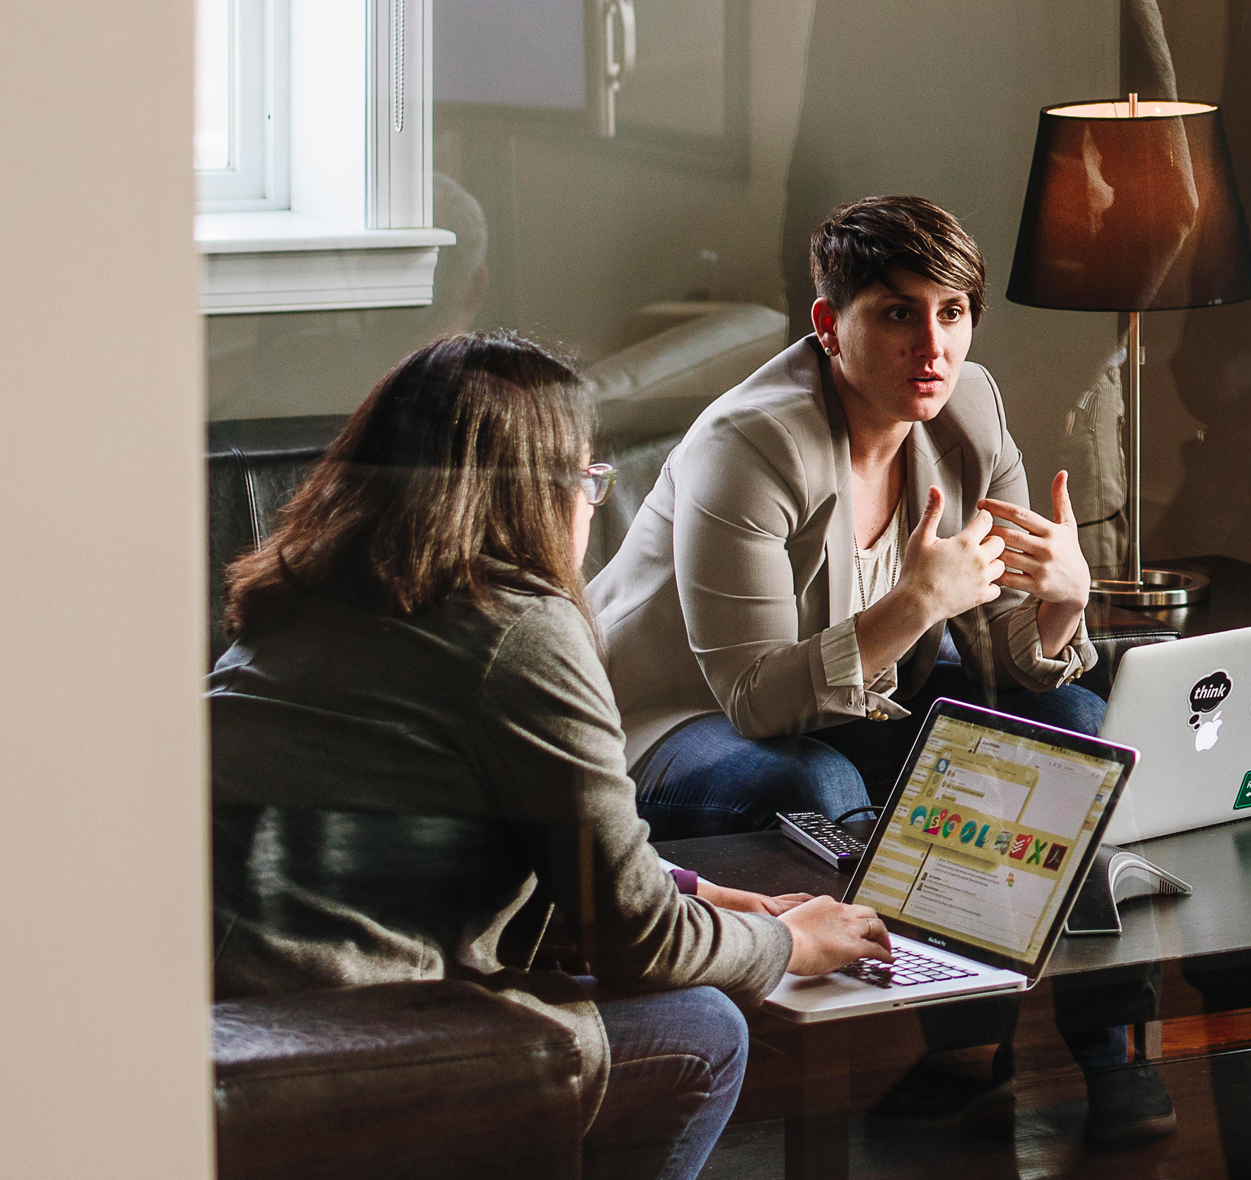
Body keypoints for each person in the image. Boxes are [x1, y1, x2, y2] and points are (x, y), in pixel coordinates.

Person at [210, 331, 894, 1180]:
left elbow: (488, 840)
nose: (590, 502)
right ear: (536, 492)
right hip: (327, 1028)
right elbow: (634, 941)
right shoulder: (520, 627)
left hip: (206, 1004)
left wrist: (695, 892)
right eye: (586, 477)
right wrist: (789, 945)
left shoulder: (306, 589)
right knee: (702, 1032)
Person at [586, 195, 1171, 1149]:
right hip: (670, 721)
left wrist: (1066, 598)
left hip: (859, 691)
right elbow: (756, 699)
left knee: (1065, 722)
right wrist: (915, 605)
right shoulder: (751, 445)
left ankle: (1099, 1048)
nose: (931, 346)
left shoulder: (968, 406)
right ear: (830, 325)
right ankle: (917, 1037)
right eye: (898, 313)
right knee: (816, 781)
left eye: (952, 312)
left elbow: (1013, 658)